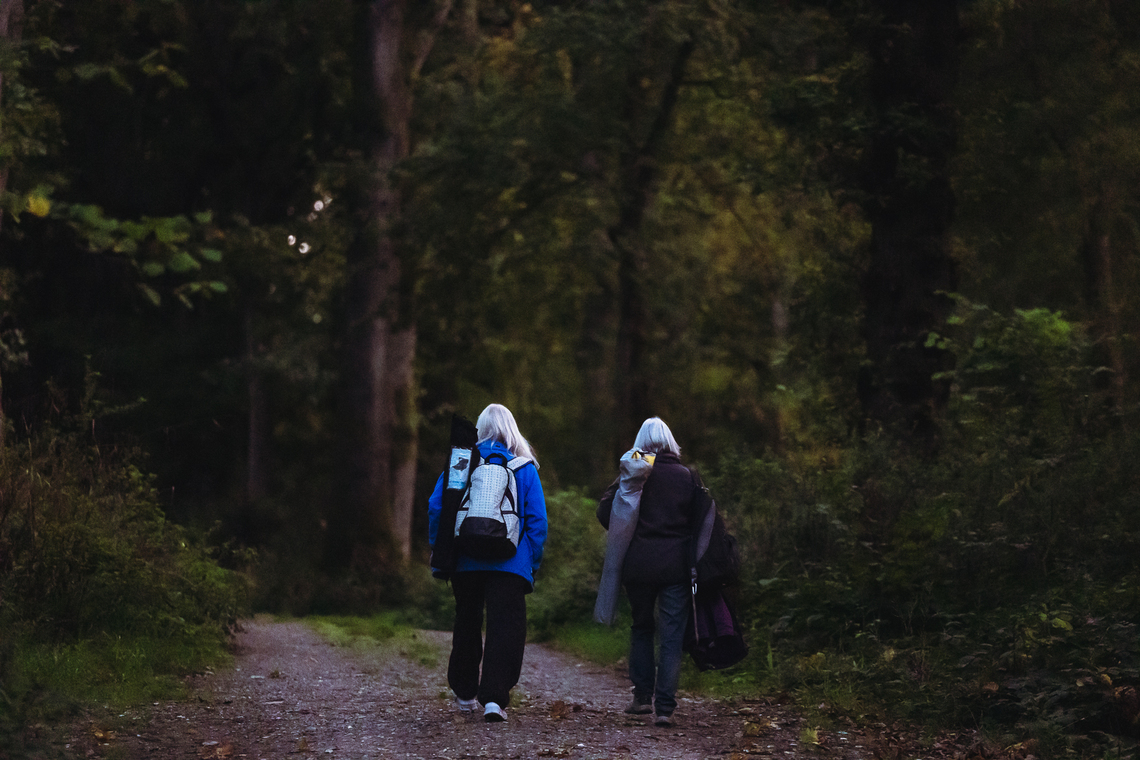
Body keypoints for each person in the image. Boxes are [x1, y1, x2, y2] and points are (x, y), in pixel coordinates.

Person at [428, 403, 547, 723]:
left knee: (466, 622)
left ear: (480, 429)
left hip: (466, 559)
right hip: (510, 563)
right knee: (505, 628)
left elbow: (437, 505)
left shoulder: (461, 462)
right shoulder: (524, 466)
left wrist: (439, 548)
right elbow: (537, 521)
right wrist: (529, 562)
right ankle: (494, 700)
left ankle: (465, 693)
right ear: (512, 429)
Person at [597, 417, 701, 728]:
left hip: (637, 566)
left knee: (641, 628)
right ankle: (665, 708)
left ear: (640, 443)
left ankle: (642, 698)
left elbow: (604, 513)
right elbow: (701, 522)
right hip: (675, 568)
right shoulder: (687, 477)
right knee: (671, 636)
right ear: (671, 442)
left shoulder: (631, 475)